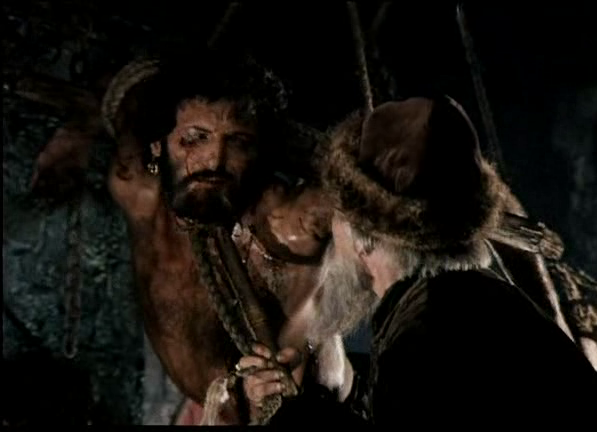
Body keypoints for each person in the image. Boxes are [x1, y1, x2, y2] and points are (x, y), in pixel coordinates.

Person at [237, 96, 597, 426]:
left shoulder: (430, 336)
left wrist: (293, 416)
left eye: (338, 214)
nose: (333, 233)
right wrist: (307, 399)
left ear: (363, 234)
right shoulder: (468, 304)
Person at [31, 48, 361, 425]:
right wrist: (75, 135)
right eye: (194, 138)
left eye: (238, 143)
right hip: (204, 404)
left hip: (313, 414)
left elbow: (358, 196)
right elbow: (127, 94)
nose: (214, 160)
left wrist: (278, 377)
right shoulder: (138, 187)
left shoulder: (285, 224)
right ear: (158, 144)